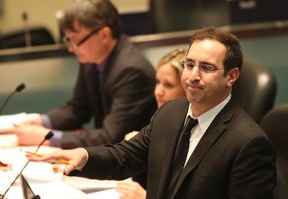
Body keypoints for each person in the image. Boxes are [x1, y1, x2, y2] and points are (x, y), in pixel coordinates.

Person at [27, 27, 276, 199]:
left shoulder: (248, 143)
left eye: (207, 68)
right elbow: (124, 156)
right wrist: (81, 156)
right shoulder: (171, 112)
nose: (193, 76)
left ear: (231, 76)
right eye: (189, 65)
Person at [14, 0, 157, 148]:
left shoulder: (133, 72)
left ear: (104, 35)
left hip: (134, 164)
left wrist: (49, 138)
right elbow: (78, 108)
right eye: (68, 40)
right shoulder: (91, 59)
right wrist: (42, 121)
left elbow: (111, 137)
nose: (71, 49)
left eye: (76, 41)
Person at [117, 48, 187, 198]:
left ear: (188, 89)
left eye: (168, 85)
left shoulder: (193, 131)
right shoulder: (161, 121)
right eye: (157, 82)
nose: (158, 91)